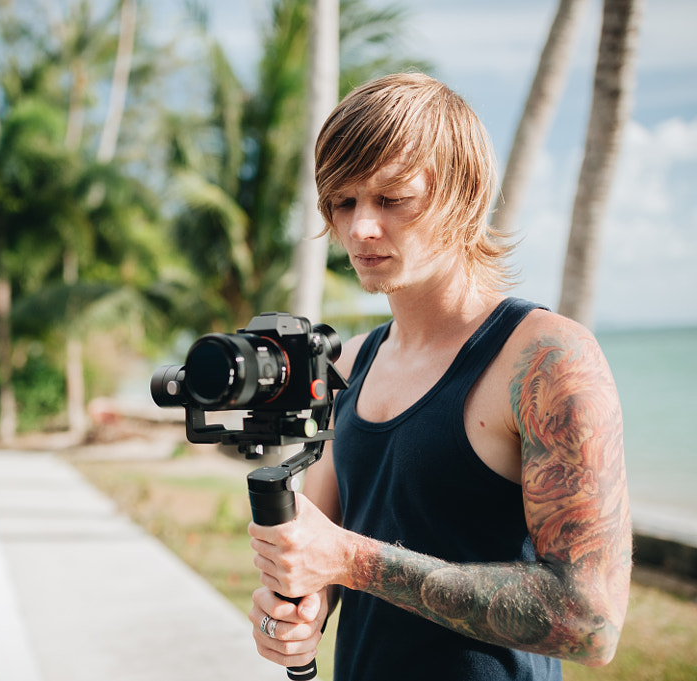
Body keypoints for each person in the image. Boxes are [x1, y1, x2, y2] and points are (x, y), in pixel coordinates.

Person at [247, 72, 632, 680]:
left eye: (391, 199)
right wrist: (295, 613)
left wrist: (351, 561)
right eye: (343, 203)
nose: (359, 229)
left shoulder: (546, 359)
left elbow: (590, 620)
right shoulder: (350, 363)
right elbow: (322, 545)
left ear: (464, 194)